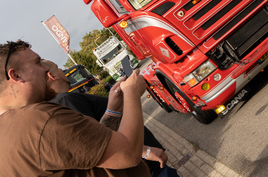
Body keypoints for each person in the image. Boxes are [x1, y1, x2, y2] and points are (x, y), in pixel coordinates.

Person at [0, 40, 150, 176]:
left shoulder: (7, 131)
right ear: (16, 75)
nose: (46, 69)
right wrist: (132, 93)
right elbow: (128, 153)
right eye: (38, 63)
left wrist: (113, 110)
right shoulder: (41, 119)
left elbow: (90, 148)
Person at [43, 60, 179, 177]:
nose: (62, 70)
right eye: (58, 67)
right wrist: (145, 151)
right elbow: (96, 143)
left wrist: (112, 106)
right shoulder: (66, 100)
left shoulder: (62, 102)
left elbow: (101, 130)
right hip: (146, 166)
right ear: (52, 75)